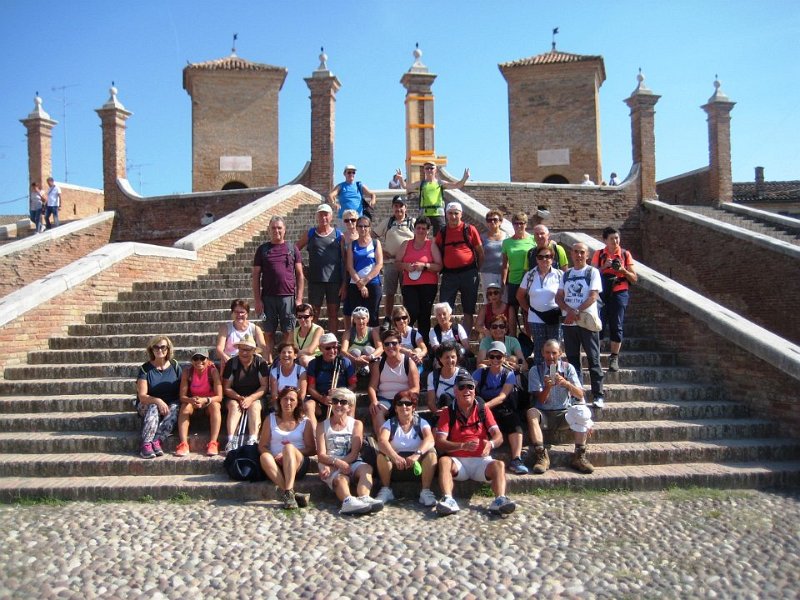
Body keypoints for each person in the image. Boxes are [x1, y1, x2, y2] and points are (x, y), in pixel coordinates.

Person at [434, 372, 516, 516]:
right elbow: (440, 442)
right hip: (458, 462)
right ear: (455, 390)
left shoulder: (483, 410)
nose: (467, 390)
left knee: (499, 465)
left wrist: (490, 444)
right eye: (462, 387)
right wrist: (461, 446)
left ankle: (499, 500)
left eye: (470, 387)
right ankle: (448, 499)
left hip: (481, 461)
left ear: (474, 390)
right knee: (444, 461)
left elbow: (499, 437)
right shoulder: (448, 412)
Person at [526, 339, 595, 474]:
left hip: (564, 413)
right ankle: (541, 455)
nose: (550, 357)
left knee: (582, 410)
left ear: (560, 353)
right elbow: (540, 399)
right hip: (544, 414)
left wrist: (566, 384)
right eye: (547, 353)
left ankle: (579, 455)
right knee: (531, 413)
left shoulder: (568, 368)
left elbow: (580, 394)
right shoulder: (536, 370)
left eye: (554, 353)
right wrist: (547, 387)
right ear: (542, 353)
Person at [316, 388, 384, 515]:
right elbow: (321, 455)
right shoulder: (322, 426)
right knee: (341, 479)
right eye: (335, 401)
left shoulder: (356, 424)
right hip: (329, 463)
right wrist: (337, 464)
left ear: (350, 406)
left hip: (351, 460)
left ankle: (364, 497)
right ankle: (347, 501)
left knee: (366, 469)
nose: (338, 405)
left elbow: (354, 452)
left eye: (343, 402)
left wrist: (343, 463)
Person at [556, 242, 605, 407]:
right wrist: (569, 311)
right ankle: (579, 394)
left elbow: (593, 296)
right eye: (576, 252)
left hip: (586, 321)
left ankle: (598, 395)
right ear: (571, 254)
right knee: (572, 360)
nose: (578, 255)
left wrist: (574, 312)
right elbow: (559, 297)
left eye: (582, 252)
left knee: (593, 359)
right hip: (569, 323)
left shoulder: (593, 272)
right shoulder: (566, 274)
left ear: (587, 255)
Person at [252, 216, 304, 361]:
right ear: (269, 230)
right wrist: (257, 300)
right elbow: (255, 276)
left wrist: (299, 299)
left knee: (288, 332)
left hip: (288, 298)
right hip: (267, 298)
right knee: (268, 333)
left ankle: (287, 363)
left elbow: (300, 275)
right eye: (273, 228)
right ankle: (269, 364)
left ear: (284, 230)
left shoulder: (292, 249)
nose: (276, 231)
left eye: (279, 228)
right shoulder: (262, 250)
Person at [473, 341, 528, 474]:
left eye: (499, 357)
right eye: (492, 356)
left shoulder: (508, 374)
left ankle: (516, 459)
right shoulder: (480, 372)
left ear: (504, 357)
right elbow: (471, 390)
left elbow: (503, 396)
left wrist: (485, 406)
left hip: (500, 406)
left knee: (515, 423)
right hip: (483, 405)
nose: (495, 360)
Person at [375, 391, 438, 506]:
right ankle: (386, 489)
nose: (404, 406)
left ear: (413, 407)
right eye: (400, 403)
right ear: (395, 408)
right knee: (381, 454)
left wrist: (417, 454)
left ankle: (426, 491)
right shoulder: (389, 424)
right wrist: (395, 457)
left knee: (432, 453)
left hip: (418, 468)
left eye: (408, 403)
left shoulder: (422, 423)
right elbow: (382, 441)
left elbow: (430, 439)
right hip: (395, 467)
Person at [258, 386, 316, 509]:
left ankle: (288, 490)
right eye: (285, 399)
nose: (288, 402)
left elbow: (311, 449)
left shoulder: (305, 421)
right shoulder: (270, 419)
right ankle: (289, 493)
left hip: (297, 463)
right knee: (264, 456)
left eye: (292, 399)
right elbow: (262, 445)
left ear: (297, 403)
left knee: (289, 447)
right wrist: (273, 456)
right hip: (276, 464)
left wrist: (288, 453)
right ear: (279, 401)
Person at [591, 227, 638, 372]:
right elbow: (591, 274)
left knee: (616, 325)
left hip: (619, 292)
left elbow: (634, 278)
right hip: (602, 292)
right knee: (598, 324)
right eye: (612, 238)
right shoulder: (599, 254)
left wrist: (622, 270)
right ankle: (595, 357)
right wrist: (604, 267)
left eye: (617, 238)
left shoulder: (625, 254)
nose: (615, 241)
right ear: (605, 240)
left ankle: (614, 358)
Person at [436, 201, 483, 335]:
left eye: (456, 213)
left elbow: (480, 251)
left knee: (468, 309)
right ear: (446, 215)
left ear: (461, 214)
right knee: (444, 307)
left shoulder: (469, 229)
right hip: (449, 275)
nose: (453, 216)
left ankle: (465, 339)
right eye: (450, 213)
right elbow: (436, 249)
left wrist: (476, 270)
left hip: (469, 273)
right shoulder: (443, 232)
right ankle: (447, 336)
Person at [296, 204, 345, 333]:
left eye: (326, 214)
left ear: (331, 216)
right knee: (314, 314)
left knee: (333, 314)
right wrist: (301, 267)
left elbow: (345, 259)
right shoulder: (311, 233)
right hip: (315, 280)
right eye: (321, 214)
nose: (324, 217)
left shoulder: (339, 235)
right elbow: (295, 250)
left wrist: (344, 282)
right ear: (317, 216)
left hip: (334, 280)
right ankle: (313, 342)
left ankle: (332, 342)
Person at [367, 328, 420, 434]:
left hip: (403, 398)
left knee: (405, 410)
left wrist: (403, 397)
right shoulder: (379, 364)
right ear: (383, 346)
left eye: (394, 343)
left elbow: (416, 388)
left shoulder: (408, 363)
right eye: (387, 344)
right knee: (376, 411)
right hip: (384, 399)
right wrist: (374, 401)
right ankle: (384, 442)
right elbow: (372, 387)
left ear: (400, 345)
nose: (390, 347)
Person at [136, 336, 181, 459]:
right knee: (153, 407)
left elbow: (182, 389)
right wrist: (158, 401)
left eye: (163, 347)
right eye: (155, 347)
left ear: (168, 349)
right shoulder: (145, 369)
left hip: (169, 405)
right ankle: (146, 444)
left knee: (176, 407)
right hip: (148, 404)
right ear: (151, 349)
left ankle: (157, 440)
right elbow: (142, 396)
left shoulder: (175, 365)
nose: (159, 350)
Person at [398, 216, 442, 342]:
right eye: (418, 228)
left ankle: (425, 344)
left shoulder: (431, 244)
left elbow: (439, 265)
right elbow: (397, 262)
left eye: (424, 228)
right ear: (414, 229)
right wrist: (406, 266)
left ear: (428, 230)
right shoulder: (406, 244)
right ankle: (408, 340)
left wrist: (425, 266)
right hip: (409, 284)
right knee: (411, 311)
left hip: (428, 284)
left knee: (424, 314)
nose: (421, 231)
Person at [222, 333, 269, 452]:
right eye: (242, 349)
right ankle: (231, 439)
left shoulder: (261, 363)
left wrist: (251, 398)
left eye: (248, 350)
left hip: (256, 396)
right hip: (234, 395)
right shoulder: (231, 363)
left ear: (253, 350)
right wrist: (239, 397)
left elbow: (264, 386)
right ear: (238, 349)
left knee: (255, 406)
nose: (244, 352)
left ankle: (253, 439)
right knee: (233, 406)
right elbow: (226, 387)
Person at [516, 246, 563, 365]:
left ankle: (554, 378)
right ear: (536, 259)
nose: (544, 259)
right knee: (539, 349)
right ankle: (539, 379)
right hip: (535, 317)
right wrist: (528, 309)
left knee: (554, 348)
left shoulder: (560, 275)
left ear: (552, 259)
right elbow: (520, 295)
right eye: (540, 257)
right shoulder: (530, 275)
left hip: (555, 316)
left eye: (547, 256)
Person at [372, 195, 415, 325]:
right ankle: (388, 318)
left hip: (406, 264)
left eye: (401, 206)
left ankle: (406, 318)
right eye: (396, 206)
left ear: (405, 208)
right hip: (390, 262)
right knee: (389, 292)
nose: (398, 209)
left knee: (407, 293)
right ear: (392, 208)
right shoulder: (388, 222)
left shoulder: (412, 222)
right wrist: (380, 251)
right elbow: (372, 236)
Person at [394, 163, 470, 236]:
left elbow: (457, 185)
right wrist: (401, 179)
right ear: (424, 170)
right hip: (424, 215)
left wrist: (464, 178)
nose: (429, 170)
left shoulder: (440, 183)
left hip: (438, 215)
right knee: (421, 235)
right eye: (427, 168)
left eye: (431, 168)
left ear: (435, 170)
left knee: (440, 237)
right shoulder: (421, 183)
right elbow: (406, 186)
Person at [176, 348, 223, 457]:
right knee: (184, 406)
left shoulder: (213, 371)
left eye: (202, 358)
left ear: (208, 359)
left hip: (208, 402)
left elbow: (220, 397)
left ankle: (213, 442)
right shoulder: (187, 372)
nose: (199, 361)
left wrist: (206, 400)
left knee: (216, 406)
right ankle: (183, 443)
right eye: (195, 358)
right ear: (192, 361)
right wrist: (191, 400)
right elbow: (182, 396)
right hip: (194, 401)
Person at [307, 333, 357, 419]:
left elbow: (353, 385)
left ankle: (349, 429)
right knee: (308, 405)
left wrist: (340, 393)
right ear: (320, 348)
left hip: (341, 398)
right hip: (321, 399)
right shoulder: (313, 364)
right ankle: (314, 431)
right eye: (328, 348)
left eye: (334, 347)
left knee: (351, 400)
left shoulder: (345, 362)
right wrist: (322, 398)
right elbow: (311, 388)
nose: (332, 351)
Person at [501, 211, 535, 335]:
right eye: (516, 223)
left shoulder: (533, 239)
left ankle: (529, 340)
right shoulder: (507, 242)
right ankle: (513, 338)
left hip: (530, 281)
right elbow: (505, 265)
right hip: (514, 280)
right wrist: (503, 283)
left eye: (522, 223)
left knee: (527, 312)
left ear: (526, 224)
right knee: (512, 312)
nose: (519, 226)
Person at [346, 216, 383, 327]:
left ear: (370, 228)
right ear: (356, 228)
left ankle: (373, 342)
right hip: (355, 284)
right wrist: (360, 284)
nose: (363, 228)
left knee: (373, 315)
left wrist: (365, 281)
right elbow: (349, 266)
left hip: (373, 283)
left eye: (365, 226)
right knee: (357, 316)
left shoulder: (376, 243)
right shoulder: (352, 245)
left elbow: (379, 264)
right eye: (360, 226)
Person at [215, 299, 268, 375]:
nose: (239, 315)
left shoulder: (255, 329)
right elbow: (219, 349)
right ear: (232, 313)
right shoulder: (225, 328)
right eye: (236, 312)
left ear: (247, 314)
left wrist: (265, 362)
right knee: (223, 361)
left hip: (249, 360)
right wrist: (226, 358)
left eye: (242, 312)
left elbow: (263, 348)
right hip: (231, 360)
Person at [341, 306, 383, 375]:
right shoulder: (348, 333)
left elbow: (380, 348)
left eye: (363, 318)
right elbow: (343, 351)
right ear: (354, 320)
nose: (361, 321)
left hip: (369, 359)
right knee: (355, 352)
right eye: (358, 318)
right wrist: (355, 359)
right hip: (354, 360)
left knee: (368, 349)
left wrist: (369, 357)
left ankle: (372, 373)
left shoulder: (372, 331)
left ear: (367, 319)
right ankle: (353, 374)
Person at [426, 342, 464, 417]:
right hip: (441, 413)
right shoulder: (432, 376)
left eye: (453, 357)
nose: (450, 360)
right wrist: (438, 412)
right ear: (440, 359)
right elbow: (431, 402)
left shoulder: (463, 374)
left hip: (460, 412)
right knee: (444, 398)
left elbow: (467, 399)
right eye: (447, 357)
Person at [269, 342, 308, 413]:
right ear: (279, 355)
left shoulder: (301, 371)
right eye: (283, 352)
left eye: (289, 352)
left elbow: (302, 395)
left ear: (295, 355)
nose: (286, 355)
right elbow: (274, 395)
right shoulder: (274, 372)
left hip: (296, 405)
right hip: (280, 405)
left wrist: (293, 409)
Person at [340, 209, 360, 332]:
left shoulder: (363, 234)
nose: (350, 223)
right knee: (347, 308)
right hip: (349, 275)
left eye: (353, 220)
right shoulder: (343, 237)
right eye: (347, 220)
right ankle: (348, 333)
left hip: (362, 273)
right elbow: (343, 259)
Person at [389, 305, 427, 371]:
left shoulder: (414, 333)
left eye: (404, 317)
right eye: (398, 319)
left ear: (408, 318)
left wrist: (419, 355)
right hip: (399, 360)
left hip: (413, 360)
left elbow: (424, 348)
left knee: (418, 350)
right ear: (394, 321)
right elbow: (392, 348)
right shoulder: (392, 334)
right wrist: (406, 351)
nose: (401, 321)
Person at [480, 210, 507, 295]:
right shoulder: (482, 237)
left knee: (503, 298)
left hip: (503, 272)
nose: (492, 222)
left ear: (500, 221)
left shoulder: (507, 237)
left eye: (495, 220)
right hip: (487, 273)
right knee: (489, 298)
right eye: (489, 220)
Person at [291, 303, 323, 369]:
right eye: (299, 317)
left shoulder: (318, 330)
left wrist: (292, 355)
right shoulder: (294, 331)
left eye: (306, 317)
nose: (302, 320)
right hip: (298, 357)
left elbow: (310, 350)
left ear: (312, 317)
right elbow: (287, 347)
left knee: (303, 360)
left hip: (315, 358)